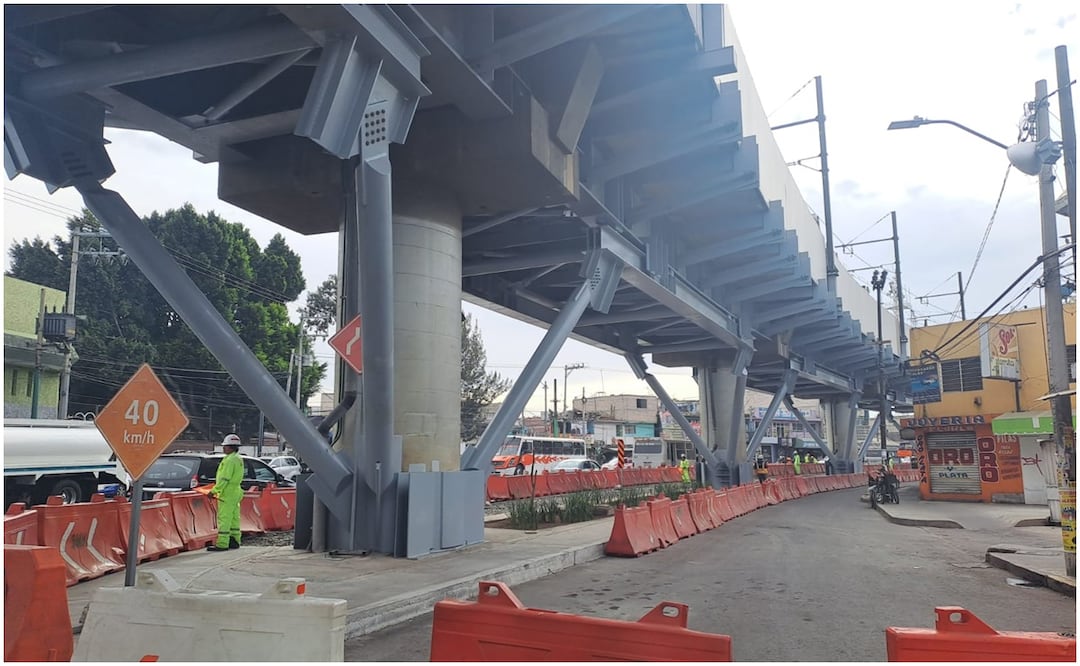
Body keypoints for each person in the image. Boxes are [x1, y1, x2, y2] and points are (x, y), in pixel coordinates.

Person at [207, 434, 244, 552]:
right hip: (236, 492)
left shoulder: (229, 460)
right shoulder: (238, 458)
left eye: (225, 446)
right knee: (234, 518)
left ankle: (222, 543)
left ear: (230, 447)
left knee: (224, 518)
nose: (223, 448)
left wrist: (214, 491)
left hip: (227, 493)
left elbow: (224, 479)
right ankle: (235, 540)